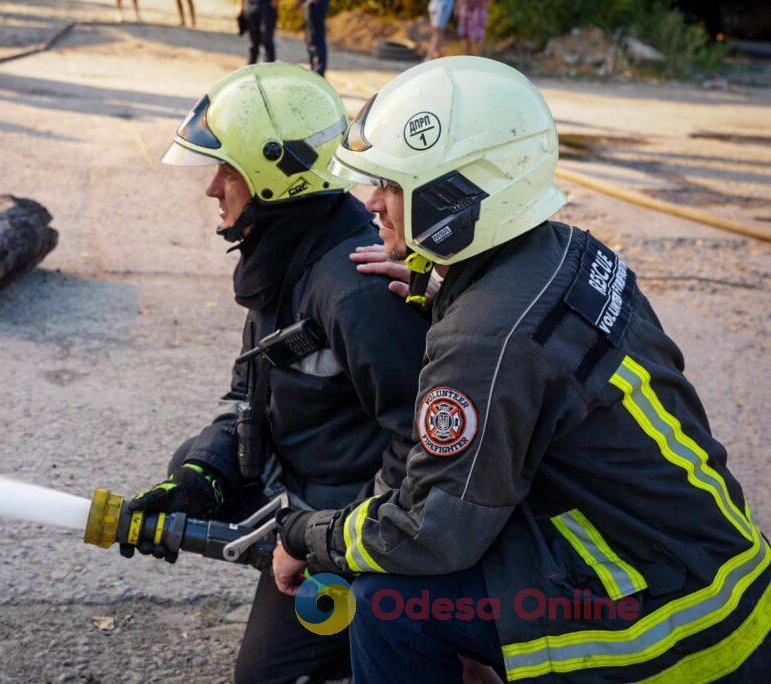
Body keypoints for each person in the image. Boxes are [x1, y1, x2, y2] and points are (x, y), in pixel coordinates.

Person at [273, 56, 771, 682]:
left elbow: (430, 533)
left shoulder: (485, 340)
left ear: (454, 194)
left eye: (393, 185)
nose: (372, 201)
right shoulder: (572, 251)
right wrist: (447, 291)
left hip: (671, 624)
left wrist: (306, 536)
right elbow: (537, 346)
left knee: (388, 602)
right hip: (717, 567)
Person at [125, 63, 430, 683]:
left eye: (228, 170)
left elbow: (426, 453)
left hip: (353, 525)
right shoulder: (287, 252)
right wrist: (202, 475)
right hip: (306, 497)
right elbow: (250, 389)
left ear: (272, 179)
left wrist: (320, 540)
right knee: (185, 459)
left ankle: (390, 633)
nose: (214, 188)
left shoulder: (353, 290)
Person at [241, 0, 277, 65]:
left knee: (267, 40)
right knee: (253, 42)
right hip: (251, 6)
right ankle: (251, 67)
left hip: (267, 6)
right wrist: (242, 7)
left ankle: (270, 68)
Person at [302, 0, 328, 76]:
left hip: (316, 5)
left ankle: (318, 75)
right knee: (311, 42)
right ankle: (314, 74)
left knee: (317, 43)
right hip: (311, 6)